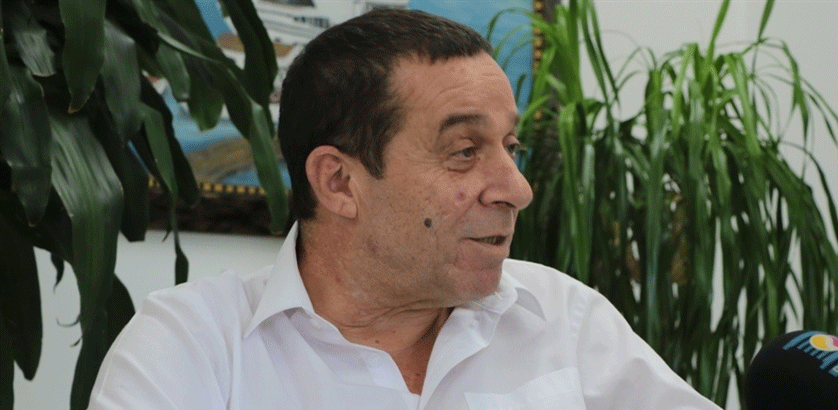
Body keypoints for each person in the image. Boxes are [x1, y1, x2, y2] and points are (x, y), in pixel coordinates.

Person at [88, 8, 721, 410]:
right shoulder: (195, 344)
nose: (516, 189)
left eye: (510, 147)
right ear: (339, 181)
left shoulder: (563, 319)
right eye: (465, 151)